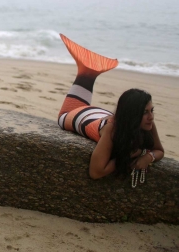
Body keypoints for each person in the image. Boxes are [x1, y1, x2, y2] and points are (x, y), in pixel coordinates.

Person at [57, 34, 164, 183]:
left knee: (86, 79)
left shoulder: (147, 124)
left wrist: (148, 157)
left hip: (98, 114)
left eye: (151, 110)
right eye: (145, 112)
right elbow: (96, 171)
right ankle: (87, 70)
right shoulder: (112, 130)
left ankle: (88, 69)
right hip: (76, 115)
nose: (151, 116)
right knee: (64, 114)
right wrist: (129, 156)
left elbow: (159, 151)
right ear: (132, 115)